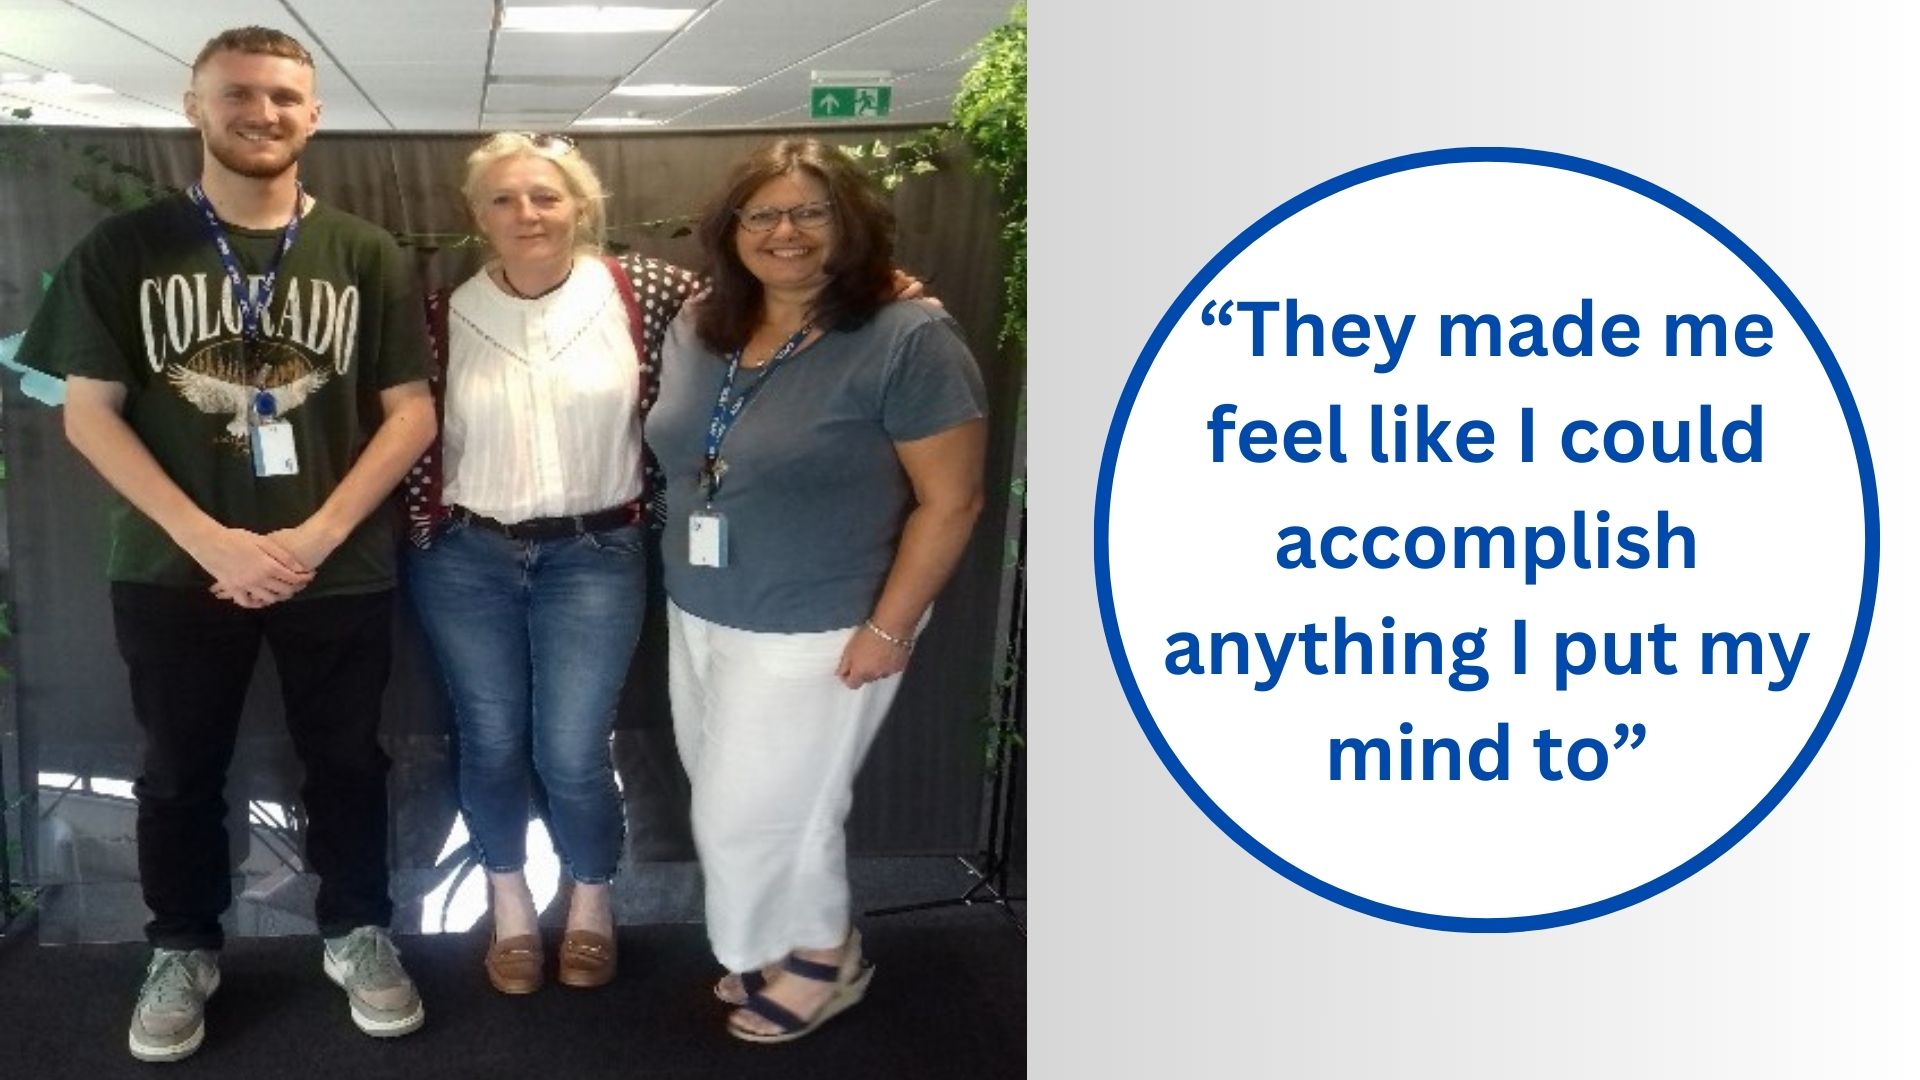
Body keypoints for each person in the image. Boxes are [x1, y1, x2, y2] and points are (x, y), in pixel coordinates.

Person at [17, 27, 436, 1061]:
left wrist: (314, 534)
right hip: (173, 568)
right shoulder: (124, 248)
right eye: (240, 95)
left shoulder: (364, 252)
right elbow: (89, 414)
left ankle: (356, 930)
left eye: (287, 97)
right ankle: (183, 946)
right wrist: (216, 543)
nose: (264, 113)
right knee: (178, 771)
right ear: (196, 107)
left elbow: (412, 412)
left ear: (314, 115)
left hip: (335, 566)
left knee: (346, 760)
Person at [646, 138, 988, 1043]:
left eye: (812, 211)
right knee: (750, 800)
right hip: (701, 608)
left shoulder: (908, 336)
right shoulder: (698, 324)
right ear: (730, 230)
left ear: (852, 223)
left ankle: (826, 955)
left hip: (820, 624)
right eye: (762, 213)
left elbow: (953, 500)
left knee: (753, 813)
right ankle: (782, 944)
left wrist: (892, 628)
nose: (784, 231)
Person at [400, 132, 698, 994]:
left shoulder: (648, 291)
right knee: (490, 739)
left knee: (572, 749)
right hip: (464, 556)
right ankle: (512, 909)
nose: (526, 213)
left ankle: (593, 903)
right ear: (475, 215)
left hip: (597, 555)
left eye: (545, 196)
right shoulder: (436, 315)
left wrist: (884, 295)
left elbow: (770, 312)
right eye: (503, 199)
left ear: (579, 205)